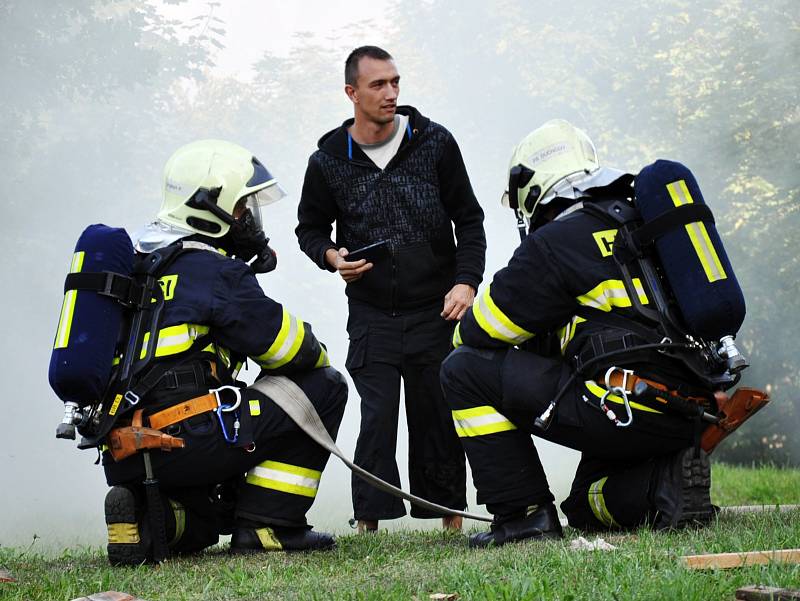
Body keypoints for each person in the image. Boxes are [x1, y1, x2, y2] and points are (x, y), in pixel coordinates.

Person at [440, 119, 718, 548]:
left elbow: (479, 331)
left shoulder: (556, 240)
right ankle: (665, 483)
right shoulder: (649, 222)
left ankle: (522, 515)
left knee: (462, 369)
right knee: (586, 504)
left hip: (620, 405)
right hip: (690, 411)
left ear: (532, 189)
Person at [100, 139, 347, 564]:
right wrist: (317, 350)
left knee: (204, 520)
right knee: (323, 386)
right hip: (186, 442)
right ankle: (271, 525)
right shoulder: (215, 271)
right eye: (240, 208)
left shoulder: (135, 263)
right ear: (206, 208)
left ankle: (146, 517)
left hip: (123, 451)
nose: (247, 219)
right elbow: (293, 352)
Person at [296, 46, 486, 532]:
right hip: (371, 309)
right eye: (378, 84)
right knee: (377, 417)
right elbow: (309, 230)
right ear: (351, 92)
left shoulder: (435, 143)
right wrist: (333, 257)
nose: (391, 93)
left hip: (436, 306)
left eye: (395, 82)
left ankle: (449, 517)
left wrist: (466, 283)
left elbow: (470, 220)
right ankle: (369, 521)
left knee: (436, 414)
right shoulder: (327, 160)